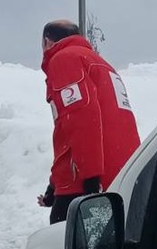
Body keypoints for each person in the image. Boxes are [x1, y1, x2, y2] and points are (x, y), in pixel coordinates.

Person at [38, 18, 141, 222]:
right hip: (121, 175)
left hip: (86, 182)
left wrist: (91, 184)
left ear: (48, 42)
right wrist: (54, 185)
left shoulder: (64, 59)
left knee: (61, 246)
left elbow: (81, 119)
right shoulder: (103, 65)